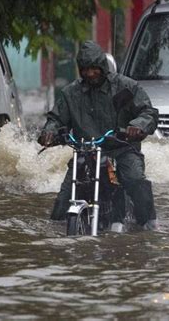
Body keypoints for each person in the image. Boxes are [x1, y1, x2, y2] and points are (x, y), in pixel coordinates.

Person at [38, 40, 159, 231]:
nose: (90, 73)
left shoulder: (125, 87)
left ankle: (149, 223)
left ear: (102, 66)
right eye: (85, 69)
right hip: (85, 152)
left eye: (94, 68)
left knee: (134, 178)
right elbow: (56, 119)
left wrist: (137, 125)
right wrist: (50, 132)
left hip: (121, 149)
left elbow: (148, 113)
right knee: (64, 198)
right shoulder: (71, 94)